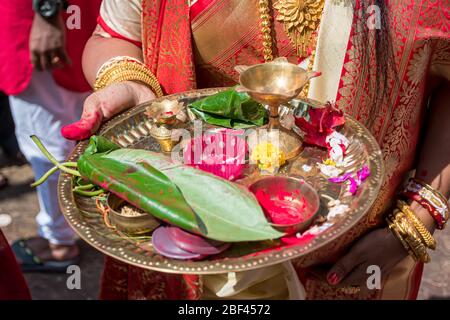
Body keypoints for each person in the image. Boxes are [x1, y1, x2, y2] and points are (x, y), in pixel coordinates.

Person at [62, 0, 450, 299]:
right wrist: (128, 81)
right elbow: (114, 35)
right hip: (196, 237)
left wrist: (417, 219)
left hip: (361, 256)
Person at [0, 0, 101, 272]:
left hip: (39, 18)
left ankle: (59, 241)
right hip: (59, 16)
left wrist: (47, 13)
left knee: (48, 143)